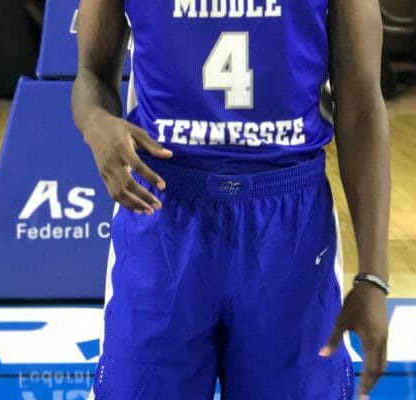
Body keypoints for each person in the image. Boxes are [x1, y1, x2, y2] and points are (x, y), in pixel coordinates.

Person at [71, 0, 390, 398]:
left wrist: (373, 276)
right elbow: (91, 73)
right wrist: (95, 120)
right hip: (162, 212)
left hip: (289, 225)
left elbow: (361, 103)